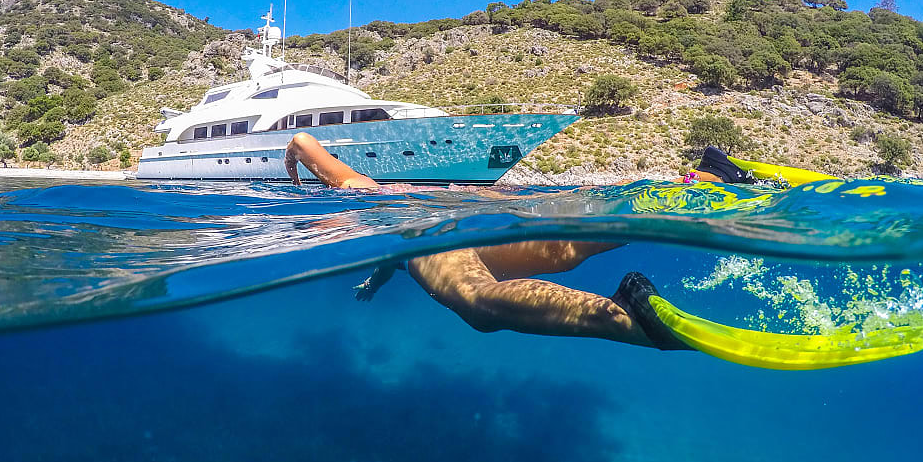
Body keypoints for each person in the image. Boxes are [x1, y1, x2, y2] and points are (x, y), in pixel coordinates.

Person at [284, 132, 765, 352]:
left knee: (476, 305)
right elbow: (391, 252)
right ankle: (706, 179)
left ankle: (620, 317)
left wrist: (294, 167)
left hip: (436, 236)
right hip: (478, 220)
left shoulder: (358, 190)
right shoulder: (393, 196)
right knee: (574, 245)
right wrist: (377, 278)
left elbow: (304, 141)